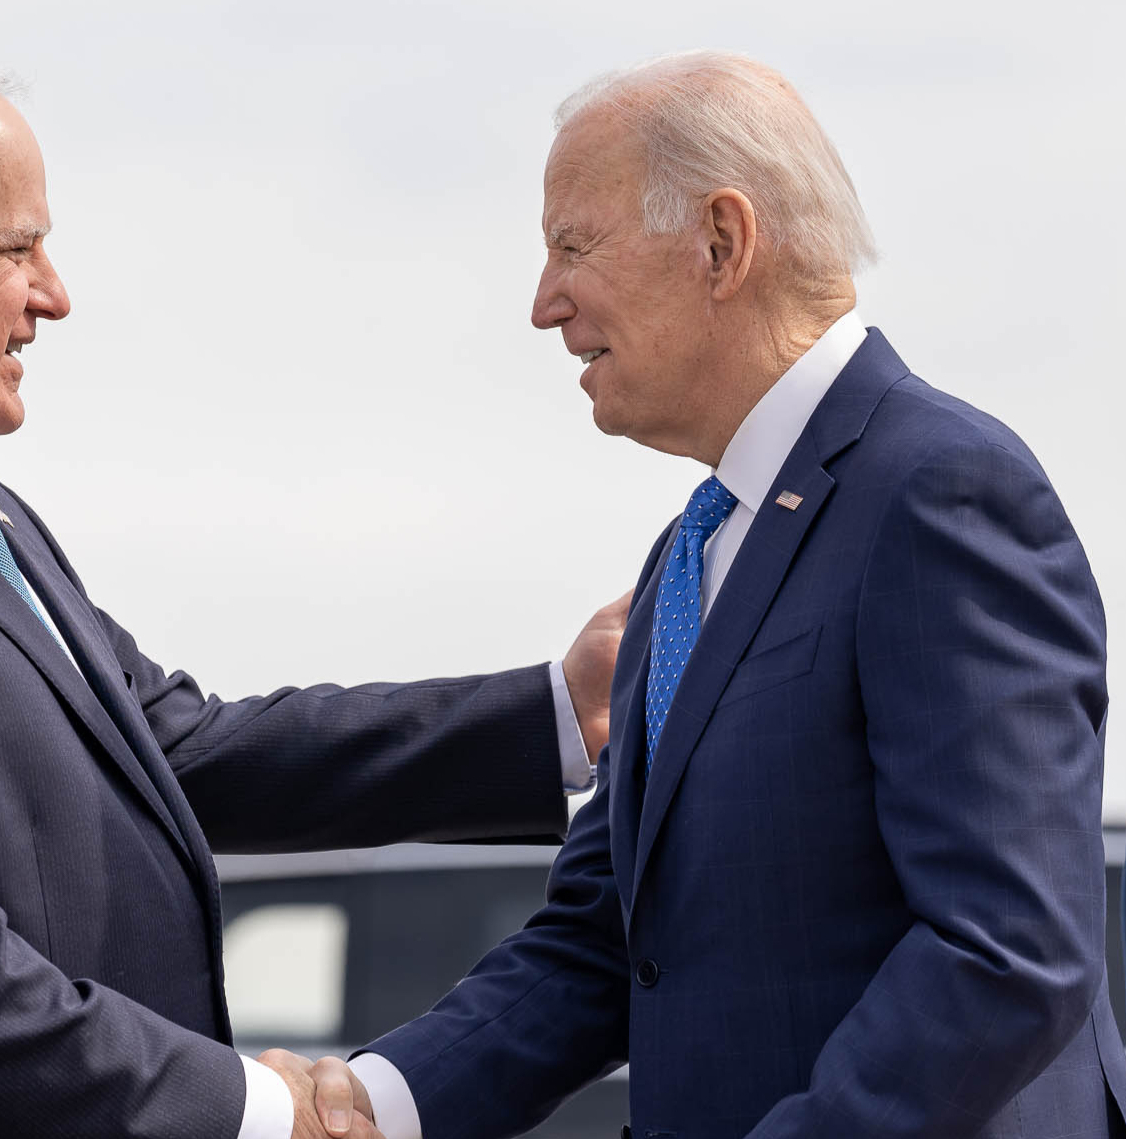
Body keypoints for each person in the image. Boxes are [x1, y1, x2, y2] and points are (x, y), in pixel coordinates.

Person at [0, 52, 627, 1139]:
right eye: (16, 247)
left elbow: (172, 751)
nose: (53, 293)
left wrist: (555, 709)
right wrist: (250, 1108)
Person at [289, 50, 1126, 1139]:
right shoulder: (685, 557)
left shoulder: (939, 489)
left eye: (570, 245)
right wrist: (370, 1102)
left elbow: (1005, 948)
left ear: (720, 243)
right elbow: (602, 937)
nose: (544, 303)